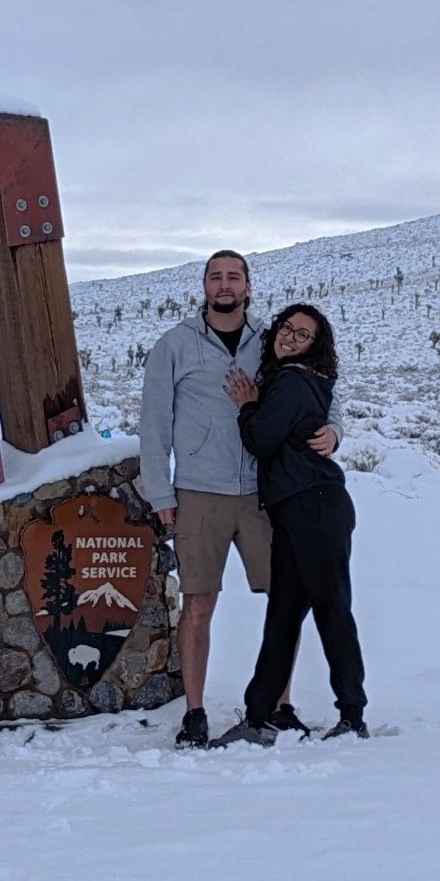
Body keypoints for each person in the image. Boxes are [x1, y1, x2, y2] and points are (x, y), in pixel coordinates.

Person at [134, 250, 338, 748]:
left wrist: (335, 428)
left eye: (234, 277)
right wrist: (160, 491)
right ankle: (195, 711)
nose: (225, 285)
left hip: (264, 493)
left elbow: (324, 383)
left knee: (283, 600)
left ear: (248, 285)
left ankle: (280, 705)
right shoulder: (175, 345)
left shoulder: (269, 343)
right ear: (204, 285)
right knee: (199, 602)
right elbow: (154, 424)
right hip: (200, 493)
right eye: (215, 276)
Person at [215, 302, 369, 746]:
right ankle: (259, 713)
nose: (290, 337)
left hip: (314, 508)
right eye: (287, 328)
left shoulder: (294, 382)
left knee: (331, 610)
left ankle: (353, 715)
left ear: (316, 347)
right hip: (298, 511)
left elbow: (261, 439)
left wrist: (247, 406)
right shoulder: (298, 381)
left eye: (303, 335)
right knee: (283, 615)